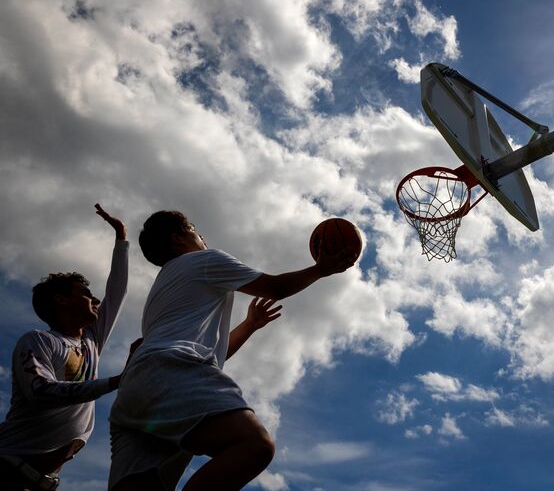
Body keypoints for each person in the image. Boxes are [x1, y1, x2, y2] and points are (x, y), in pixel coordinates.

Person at [109, 210, 357, 491]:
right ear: (178, 239)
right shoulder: (205, 259)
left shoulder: (163, 290)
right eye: (193, 228)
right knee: (254, 445)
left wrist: (248, 326)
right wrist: (321, 269)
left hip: (136, 390)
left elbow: (212, 354)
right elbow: (276, 287)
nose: (201, 235)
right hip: (170, 371)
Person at [0, 204, 137, 491]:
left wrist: (122, 238)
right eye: (86, 293)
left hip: (42, 483)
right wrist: (116, 381)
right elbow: (42, 391)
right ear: (61, 300)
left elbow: (117, 291)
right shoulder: (38, 341)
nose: (96, 299)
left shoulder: (91, 340)